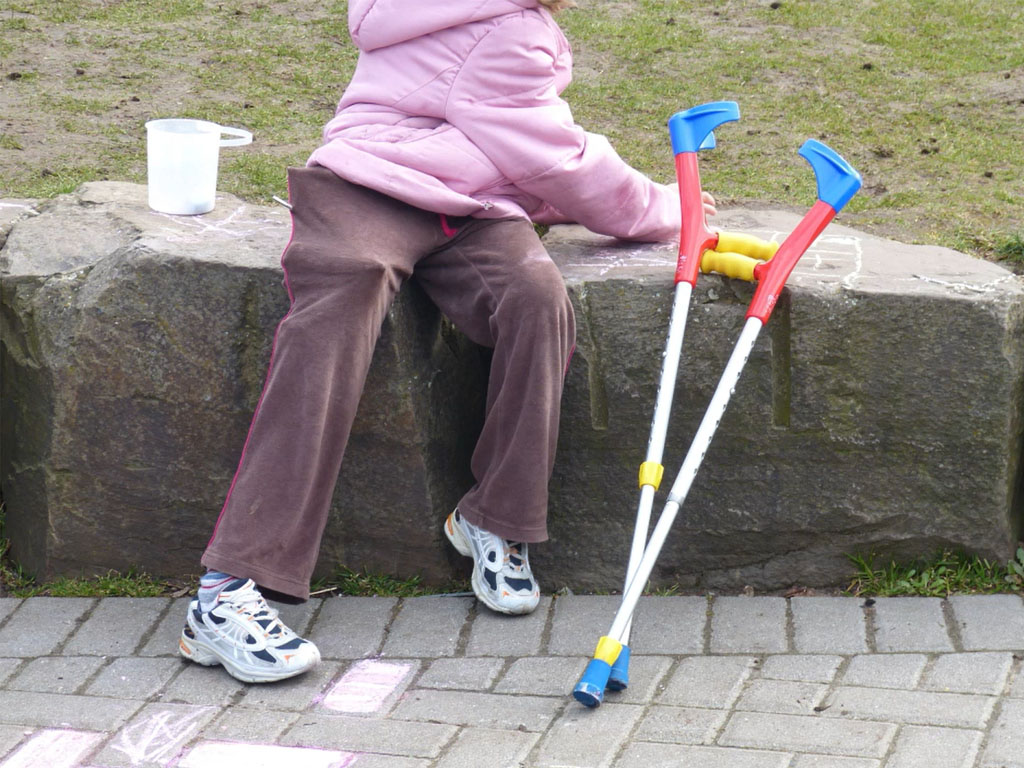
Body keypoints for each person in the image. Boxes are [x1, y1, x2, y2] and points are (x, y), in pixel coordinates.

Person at [178, 0, 716, 683]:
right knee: (335, 316)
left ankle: (496, 518)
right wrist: (667, 208)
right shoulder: (512, 31)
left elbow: (509, 141)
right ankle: (224, 594)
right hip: (365, 187)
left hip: (470, 204)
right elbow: (560, 159)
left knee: (537, 299)